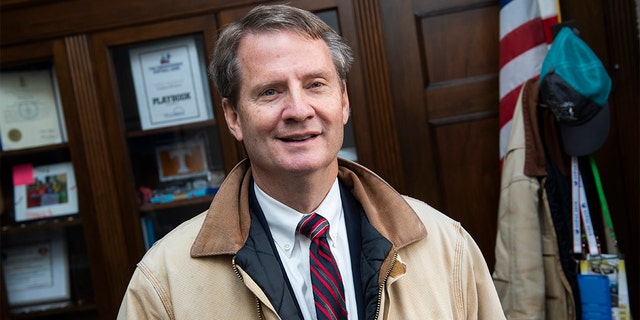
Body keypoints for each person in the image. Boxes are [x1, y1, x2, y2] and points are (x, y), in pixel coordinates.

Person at [117, 4, 505, 319]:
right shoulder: (164, 283)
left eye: (315, 84)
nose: (298, 110)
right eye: (270, 92)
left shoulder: (445, 246)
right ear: (233, 117)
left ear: (344, 101)